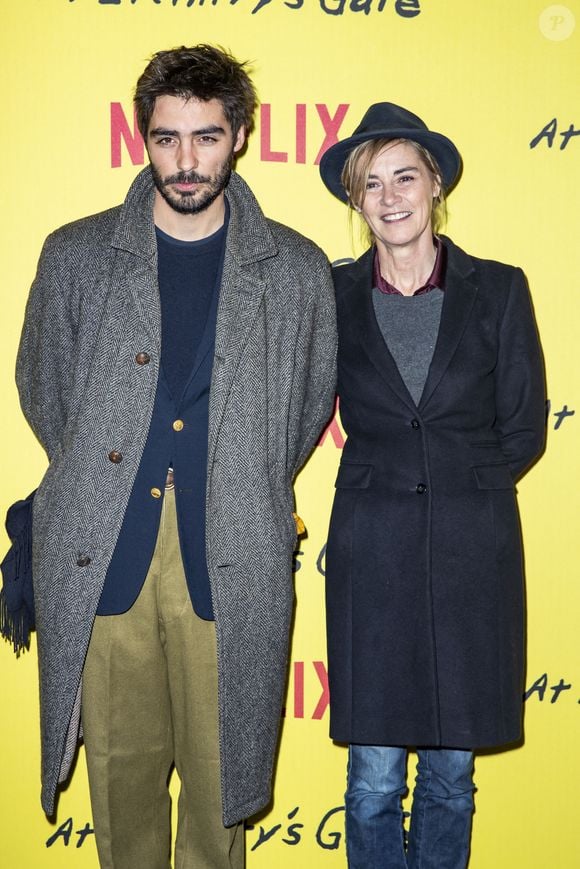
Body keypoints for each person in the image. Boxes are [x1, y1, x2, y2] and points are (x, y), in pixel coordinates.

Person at [16, 44, 336, 868]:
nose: (185, 160)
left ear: (240, 136)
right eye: (166, 138)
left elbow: (302, 411)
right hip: (105, 552)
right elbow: (45, 391)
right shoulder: (74, 255)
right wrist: (105, 472)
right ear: (143, 138)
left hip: (229, 551)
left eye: (205, 136)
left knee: (220, 786)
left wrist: (240, 478)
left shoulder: (296, 271)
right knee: (119, 789)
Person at [319, 103, 545, 868]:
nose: (389, 198)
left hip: (468, 557)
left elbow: (523, 425)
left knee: (452, 777)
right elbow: (302, 406)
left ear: (435, 183)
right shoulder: (331, 295)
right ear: (356, 202)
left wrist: (455, 492)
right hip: (371, 556)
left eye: (403, 177)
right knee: (373, 778)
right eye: (370, 184)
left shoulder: (501, 289)